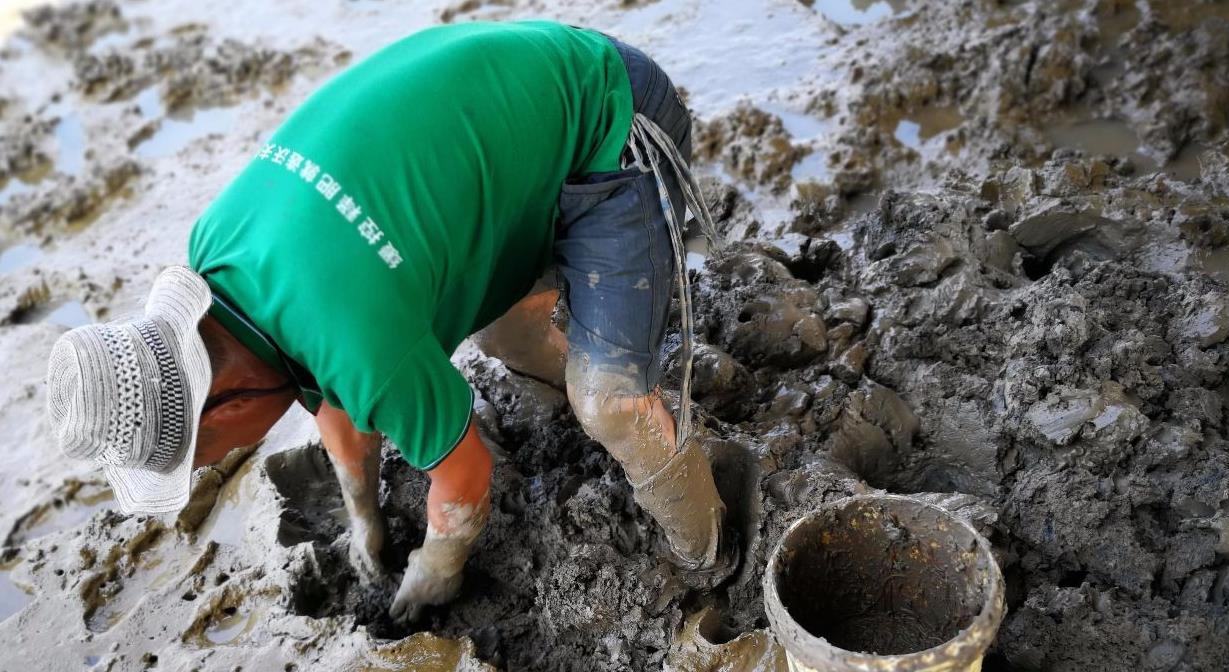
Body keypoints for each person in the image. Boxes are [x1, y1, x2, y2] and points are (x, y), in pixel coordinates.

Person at [45, 20, 736, 627]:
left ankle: (708, 554)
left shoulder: (351, 335)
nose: (225, 458)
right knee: (505, 336)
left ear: (219, 404)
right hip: (514, 111)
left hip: (610, 113)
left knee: (610, 403)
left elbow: (465, 481)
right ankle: (588, 375)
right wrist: (363, 516)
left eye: (212, 453)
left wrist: (438, 567)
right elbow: (327, 385)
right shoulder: (219, 259)